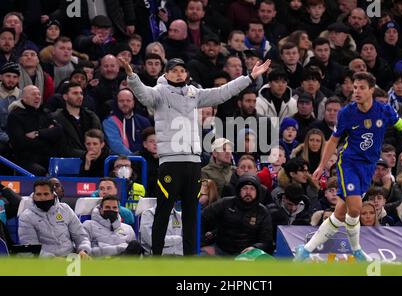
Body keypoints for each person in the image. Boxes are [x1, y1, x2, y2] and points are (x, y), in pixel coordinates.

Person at [121, 55, 271, 256]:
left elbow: (221, 93)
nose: (178, 73)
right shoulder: (159, 93)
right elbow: (143, 95)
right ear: (166, 73)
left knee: (192, 216)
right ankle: (155, 258)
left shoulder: (194, 93)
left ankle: (189, 259)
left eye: (182, 70)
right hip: (171, 162)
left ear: (187, 73)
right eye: (174, 70)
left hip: (193, 163)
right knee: (163, 212)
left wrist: (249, 78)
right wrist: (132, 76)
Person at [296, 72, 402, 262]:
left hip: (368, 167)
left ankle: (306, 250)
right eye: (355, 87)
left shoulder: (385, 111)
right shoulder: (347, 113)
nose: (356, 91)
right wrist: (321, 166)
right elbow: (333, 141)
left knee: (341, 213)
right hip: (349, 163)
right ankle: (357, 251)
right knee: (356, 208)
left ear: (371, 90)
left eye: (361, 88)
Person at [201, 174, 273, 256]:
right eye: (245, 188)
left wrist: (255, 247)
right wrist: (204, 241)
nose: (248, 192)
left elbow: (266, 241)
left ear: (257, 192)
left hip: (246, 254)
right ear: (239, 190)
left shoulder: (263, 212)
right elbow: (202, 218)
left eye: (252, 189)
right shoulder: (225, 203)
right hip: (219, 249)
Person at [18, 179, 91, 258]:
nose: (42, 198)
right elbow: (31, 248)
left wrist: (84, 250)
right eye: (38, 194)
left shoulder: (65, 209)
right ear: (34, 196)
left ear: (53, 195)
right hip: (45, 263)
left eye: (46, 194)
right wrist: (52, 259)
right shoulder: (26, 217)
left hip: (71, 258)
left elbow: (80, 236)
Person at [6, 85, 62, 175]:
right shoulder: (15, 116)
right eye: (33, 94)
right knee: (40, 171)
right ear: (24, 98)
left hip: (48, 157)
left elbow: (59, 132)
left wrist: (38, 134)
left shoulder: (45, 112)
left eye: (39, 94)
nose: (37, 97)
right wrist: (48, 136)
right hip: (26, 159)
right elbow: (20, 143)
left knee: (67, 168)